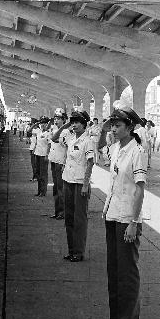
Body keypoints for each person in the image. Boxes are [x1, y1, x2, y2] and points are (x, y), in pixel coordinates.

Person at [96, 107, 147, 319]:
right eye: (113, 125)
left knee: (127, 274)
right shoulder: (116, 148)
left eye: (118, 125)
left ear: (131, 128)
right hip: (112, 214)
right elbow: (101, 149)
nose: (113, 129)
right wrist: (106, 128)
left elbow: (139, 189)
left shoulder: (138, 152)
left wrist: (134, 223)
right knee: (114, 272)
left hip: (127, 218)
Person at [52, 110, 94, 262]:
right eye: (73, 122)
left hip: (79, 183)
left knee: (79, 219)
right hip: (68, 181)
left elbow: (90, 162)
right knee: (69, 217)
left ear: (84, 124)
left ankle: (79, 251)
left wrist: (85, 184)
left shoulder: (87, 141)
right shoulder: (70, 138)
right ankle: (71, 250)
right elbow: (54, 138)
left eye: (77, 122)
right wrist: (65, 126)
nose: (75, 125)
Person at [48, 109, 68, 219]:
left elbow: (56, 140)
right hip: (54, 160)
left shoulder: (66, 131)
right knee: (56, 188)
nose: (56, 120)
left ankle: (62, 212)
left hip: (60, 162)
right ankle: (57, 211)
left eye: (58, 118)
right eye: (55, 118)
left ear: (64, 120)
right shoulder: (54, 129)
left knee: (61, 188)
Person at [33, 117, 52, 197]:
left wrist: (47, 155)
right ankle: (39, 190)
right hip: (37, 154)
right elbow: (30, 132)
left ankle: (43, 191)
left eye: (44, 123)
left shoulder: (48, 133)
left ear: (47, 124)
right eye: (41, 123)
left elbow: (49, 144)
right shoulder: (39, 132)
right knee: (38, 173)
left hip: (44, 155)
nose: (42, 125)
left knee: (43, 174)